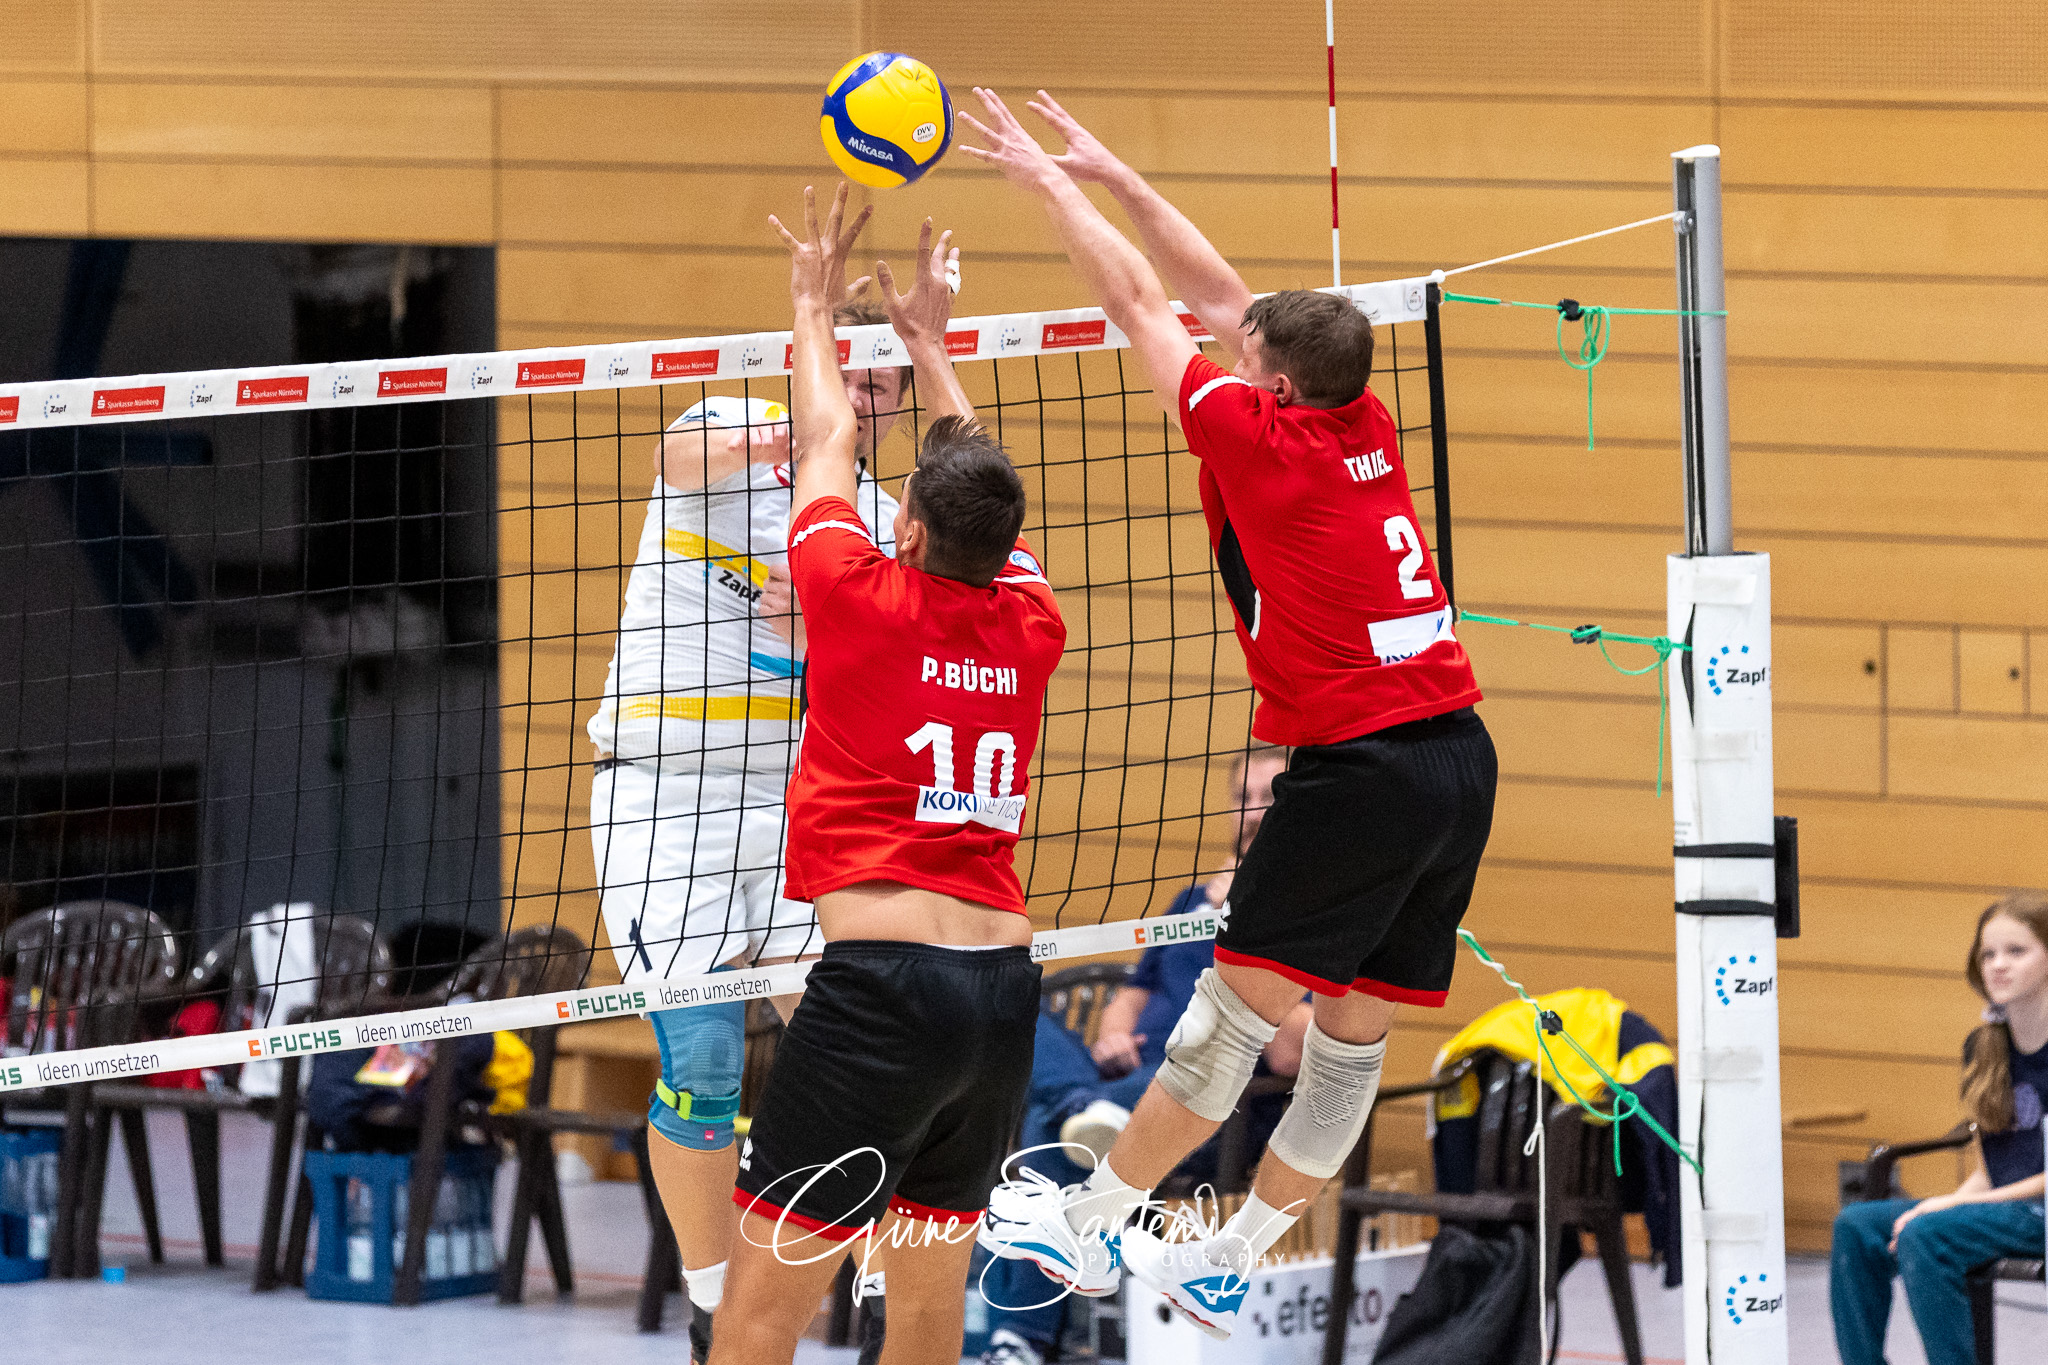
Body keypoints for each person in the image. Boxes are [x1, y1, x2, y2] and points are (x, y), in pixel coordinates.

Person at [962, 90, 1496, 1339]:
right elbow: (1219, 300)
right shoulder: (1358, 418)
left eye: (1244, 352)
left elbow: (1147, 307)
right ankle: (1234, 1253)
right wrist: (1120, 174)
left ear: (1267, 384)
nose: (1230, 346)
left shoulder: (1255, 440)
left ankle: (1088, 1221)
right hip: (1458, 760)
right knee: (1348, 1046)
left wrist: (1046, 184)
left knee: (1228, 1019)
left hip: (1357, 768)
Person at [710, 184, 1066, 1365]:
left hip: (879, 997)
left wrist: (809, 306)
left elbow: (825, 440)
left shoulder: (853, 594)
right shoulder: (1030, 618)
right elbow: (975, 487)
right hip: (1001, 999)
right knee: (924, 1307)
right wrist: (927, 343)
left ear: (903, 528)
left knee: (763, 1306)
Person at [584, 272, 907, 1358]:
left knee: (859, 1048)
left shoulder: (872, 519)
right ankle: (714, 1302)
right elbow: (674, 464)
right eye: (857, 374)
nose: (871, 398)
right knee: (708, 1068)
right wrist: (794, 424)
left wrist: (826, 622)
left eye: (889, 384)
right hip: (662, 795)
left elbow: (885, 676)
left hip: (789, 799)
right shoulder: (723, 424)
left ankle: (874, 1301)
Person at [980, 747, 1308, 1365]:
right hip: (1129, 1079)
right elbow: (1132, 996)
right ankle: (1085, 1108)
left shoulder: (1311, 908)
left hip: (1208, 1099)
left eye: (1271, 795)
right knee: (1007, 1001)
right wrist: (1110, 1035)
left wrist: (1240, 937)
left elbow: (1293, 1055)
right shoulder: (1191, 898)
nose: (1255, 811)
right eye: (1243, 796)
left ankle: (1019, 1339)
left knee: (1046, 1136)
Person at [1831, 893, 2048, 1365]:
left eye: (2017, 951)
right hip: (2009, 1208)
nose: (1998, 966)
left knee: (1927, 1234)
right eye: (1988, 954)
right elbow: (1994, 1170)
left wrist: (1943, 1206)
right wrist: (1949, 1202)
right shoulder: (1985, 1045)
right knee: (1856, 1225)